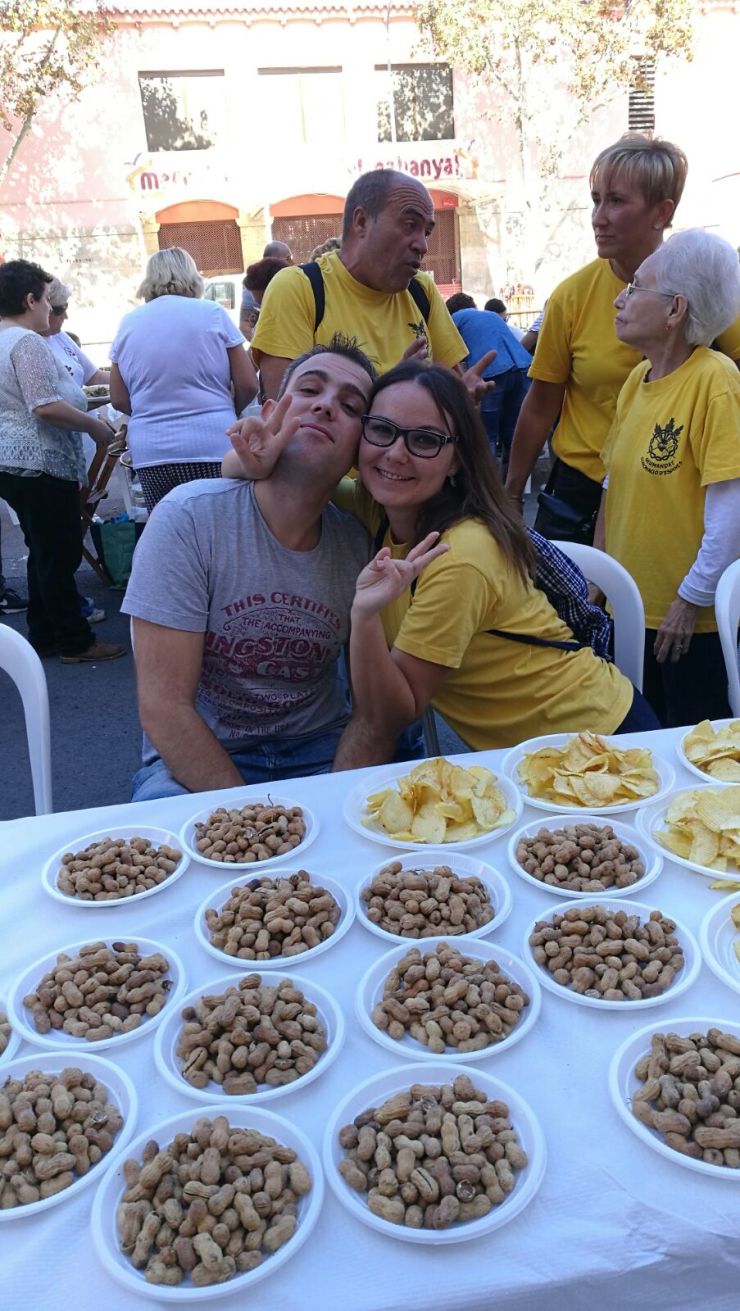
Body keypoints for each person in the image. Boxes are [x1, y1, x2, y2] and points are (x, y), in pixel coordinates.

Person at [226, 361, 657, 763]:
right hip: (530, 760)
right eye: (382, 430)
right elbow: (281, 478)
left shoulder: (461, 555)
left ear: (456, 460)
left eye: (425, 440)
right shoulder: (381, 508)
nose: (396, 454)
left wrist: (365, 618)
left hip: (598, 745)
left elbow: (393, 713)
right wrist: (252, 457)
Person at [122, 337, 377, 801]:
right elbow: (164, 707)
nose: (325, 406)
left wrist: (343, 797)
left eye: (350, 405)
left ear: (361, 449)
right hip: (203, 752)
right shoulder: (189, 519)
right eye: (310, 390)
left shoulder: (358, 543)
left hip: (320, 749)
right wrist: (254, 820)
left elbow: (370, 712)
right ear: (271, 412)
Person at [506, 134, 740, 543]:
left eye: (615, 201)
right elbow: (541, 405)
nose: (598, 217)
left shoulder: (709, 285)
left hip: (677, 493)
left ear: (662, 212)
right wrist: (510, 494)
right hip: (578, 494)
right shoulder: (570, 297)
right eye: (596, 200)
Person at [595, 229, 740, 726]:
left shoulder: (715, 381)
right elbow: (612, 487)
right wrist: (599, 579)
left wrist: (689, 601)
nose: (619, 299)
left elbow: (730, 513)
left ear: (675, 309)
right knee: (634, 746)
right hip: (630, 612)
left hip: (687, 624)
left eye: (636, 287)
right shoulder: (637, 380)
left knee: (694, 749)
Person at [0, 259, 125, 662]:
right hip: (39, 462)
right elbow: (45, 405)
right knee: (58, 553)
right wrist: (93, 425)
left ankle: (46, 634)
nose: (49, 309)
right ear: (29, 300)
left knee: (43, 550)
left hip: (15, 463)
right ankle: (75, 641)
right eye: (45, 300)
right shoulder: (26, 342)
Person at [250, 170, 467, 398]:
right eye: (409, 225)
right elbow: (286, 411)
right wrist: (391, 391)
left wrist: (465, 399)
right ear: (361, 221)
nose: (423, 246)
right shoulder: (297, 289)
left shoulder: (421, 290)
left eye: (427, 232)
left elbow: (457, 388)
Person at [109, 247, 258, 513]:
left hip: (152, 452)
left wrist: (149, 411)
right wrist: (228, 409)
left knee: (169, 528)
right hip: (213, 443)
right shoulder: (213, 313)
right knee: (219, 526)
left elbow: (119, 398)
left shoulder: (128, 323)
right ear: (192, 276)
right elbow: (248, 384)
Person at [446, 293, 531, 467]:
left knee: (487, 436)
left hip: (492, 372)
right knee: (512, 432)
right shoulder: (492, 315)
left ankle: (490, 480)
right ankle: (516, 480)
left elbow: (451, 353)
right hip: (521, 367)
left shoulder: (455, 318)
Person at [240, 241, 293, 337]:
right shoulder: (254, 286)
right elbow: (245, 326)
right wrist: (261, 344)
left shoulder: (295, 283)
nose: (292, 262)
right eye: (288, 258)